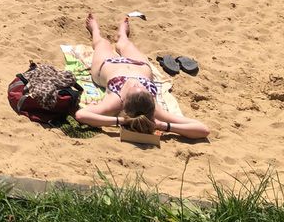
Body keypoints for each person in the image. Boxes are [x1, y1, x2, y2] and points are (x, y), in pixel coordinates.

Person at [73, 13, 210, 139]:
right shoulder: (154, 109)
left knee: (102, 43)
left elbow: (81, 115)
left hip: (107, 64)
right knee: (125, 44)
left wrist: (121, 121)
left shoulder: (115, 101)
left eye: (133, 87)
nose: (136, 82)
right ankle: (122, 35)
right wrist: (164, 125)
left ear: (124, 102)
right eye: (143, 87)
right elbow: (203, 129)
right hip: (139, 65)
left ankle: (95, 30)